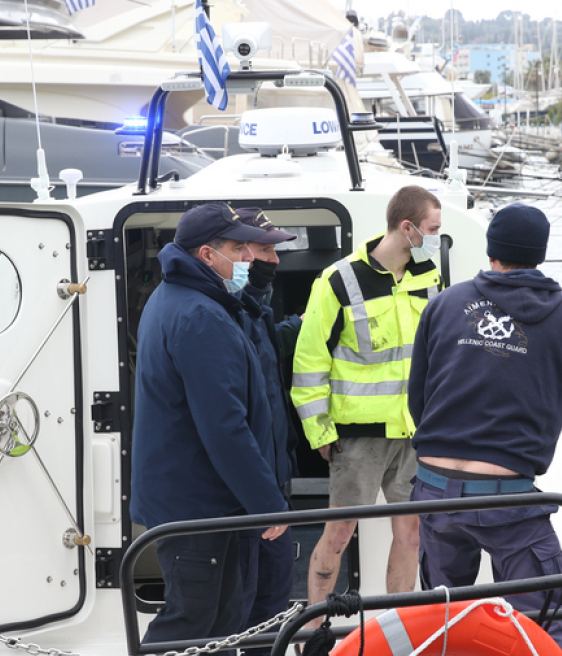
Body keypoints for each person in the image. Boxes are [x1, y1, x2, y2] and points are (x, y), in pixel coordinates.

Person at [407, 203, 562, 656]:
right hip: (506, 500)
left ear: (492, 252)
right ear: (540, 254)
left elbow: (418, 399)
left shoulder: (444, 304)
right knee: (551, 623)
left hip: (434, 492)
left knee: (441, 618)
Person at [130, 203, 288, 644]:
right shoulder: (201, 316)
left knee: (220, 622)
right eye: (239, 249)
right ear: (206, 255)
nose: (248, 258)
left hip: (196, 499)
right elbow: (224, 425)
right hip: (199, 505)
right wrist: (266, 501)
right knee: (192, 621)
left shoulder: (178, 300)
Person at [291, 185, 444, 623]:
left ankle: (399, 630)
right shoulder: (338, 280)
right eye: (432, 229)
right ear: (407, 227)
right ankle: (315, 630)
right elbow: (309, 361)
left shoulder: (429, 277)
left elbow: (438, 355)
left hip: (414, 435)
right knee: (338, 535)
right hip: (357, 440)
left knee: (410, 534)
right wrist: (320, 432)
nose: (436, 238)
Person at [233, 207, 299, 650]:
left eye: (274, 250)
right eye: (263, 249)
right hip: (248, 494)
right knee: (242, 601)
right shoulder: (222, 316)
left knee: (274, 595)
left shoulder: (252, 310)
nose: (273, 260)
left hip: (272, 481)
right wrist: (263, 498)